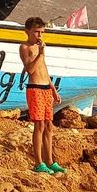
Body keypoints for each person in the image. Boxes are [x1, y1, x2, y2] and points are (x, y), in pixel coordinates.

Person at [19, 17, 64, 175]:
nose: (39, 35)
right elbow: (30, 69)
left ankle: (50, 161)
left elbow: (44, 70)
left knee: (49, 126)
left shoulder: (40, 48)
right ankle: (38, 162)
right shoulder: (25, 47)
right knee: (39, 126)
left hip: (46, 89)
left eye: (42, 32)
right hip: (35, 89)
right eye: (36, 32)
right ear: (28, 31)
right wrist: (41, 54)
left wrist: (53, 89)